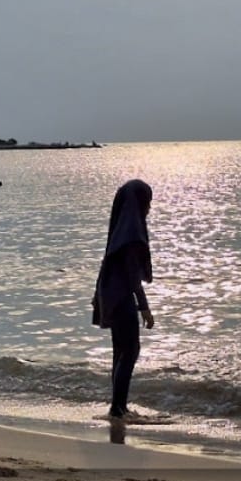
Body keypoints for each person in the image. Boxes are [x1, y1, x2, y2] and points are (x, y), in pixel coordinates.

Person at [92, 179, 155, 422]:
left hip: (109, 295)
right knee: (130, 350)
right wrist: (145, 308)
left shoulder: (119, 231)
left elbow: (107, 265)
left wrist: (97, 296)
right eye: (147, 203)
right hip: (121, 298)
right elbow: (131, 277)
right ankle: (118, 408)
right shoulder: (131, 235)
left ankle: (117, 406)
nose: (149, 209)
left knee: (120, 352)